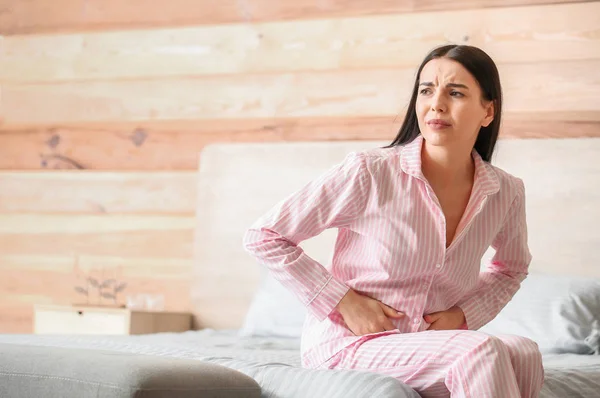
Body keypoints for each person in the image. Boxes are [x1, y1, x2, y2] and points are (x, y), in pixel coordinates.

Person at [243, 44, 544, 397]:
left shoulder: (505, 192)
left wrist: (464, 315)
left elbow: (511, 268)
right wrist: (343, 301)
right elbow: (264, 236)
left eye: (456, 92)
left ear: (487, 111)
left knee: (524, 351)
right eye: (427, 90)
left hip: (428, 345)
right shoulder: (369, 173)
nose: (437, 104)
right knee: (477, 350)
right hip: (351, 344)